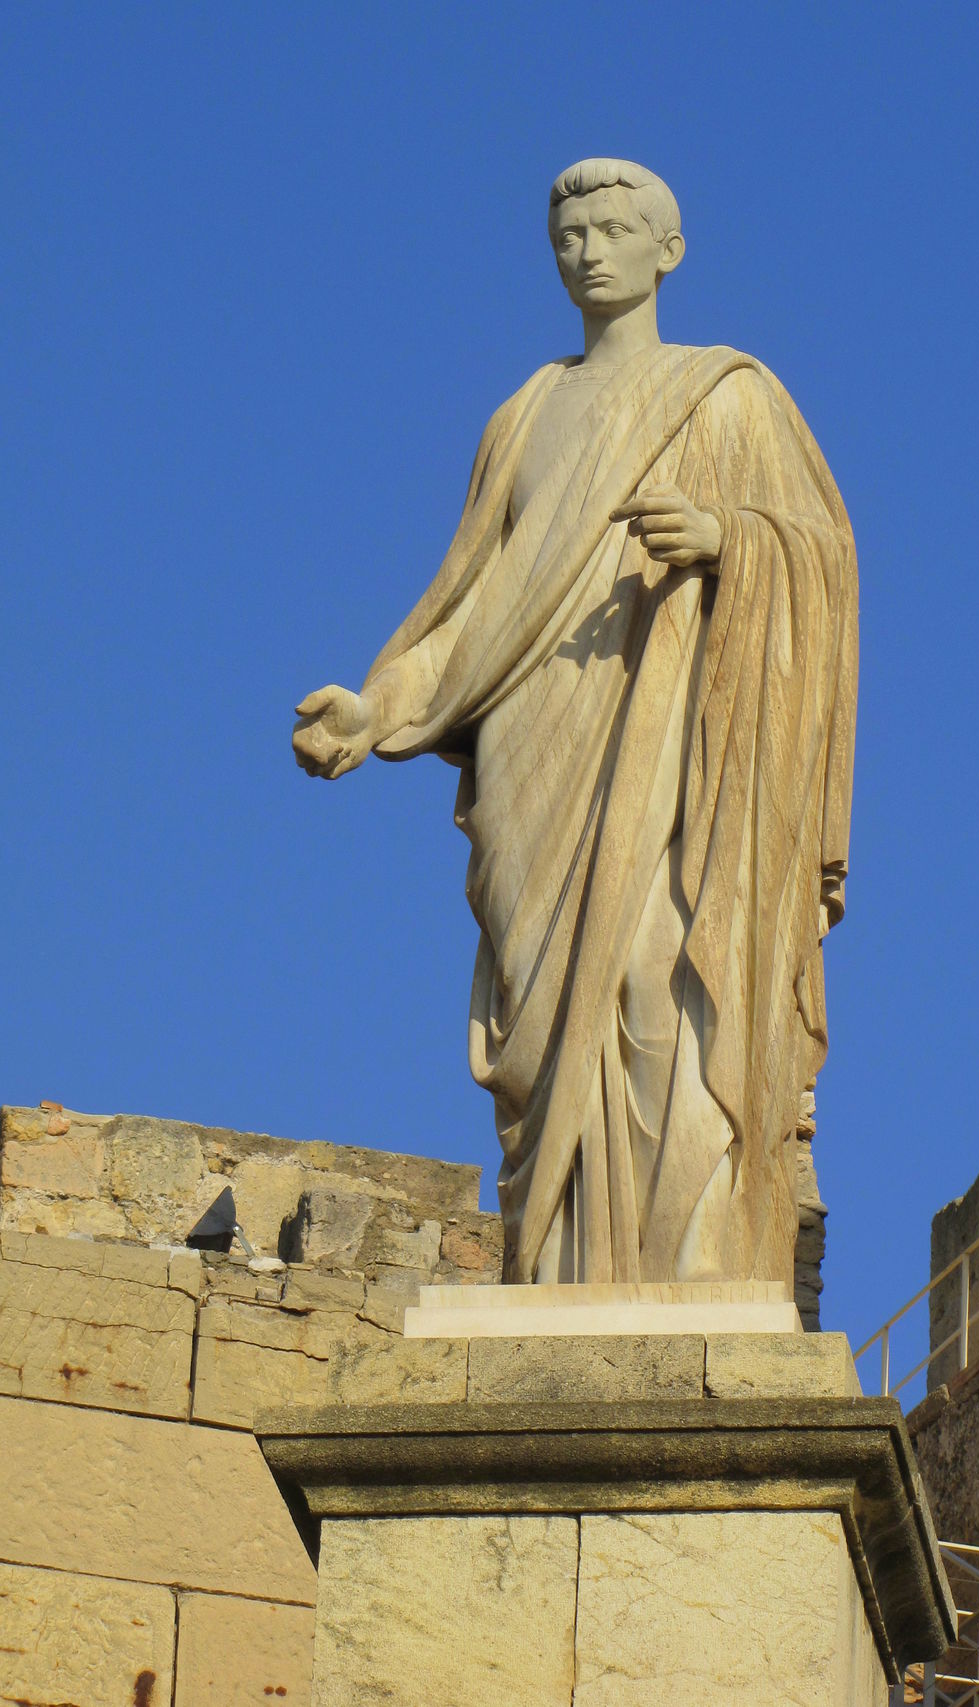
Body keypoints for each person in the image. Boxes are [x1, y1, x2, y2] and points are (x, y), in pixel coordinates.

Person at [293, 159, 857, 1287]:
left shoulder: (728, 395)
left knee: (660, 987)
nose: (589, 253)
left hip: (671, 743)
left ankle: (688, 1264)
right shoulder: (524, 415)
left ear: (668, 250)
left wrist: (728, 538)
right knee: (542, 1031)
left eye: (611, 231)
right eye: (569, 236)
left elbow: (825, 562)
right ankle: (554, 1271)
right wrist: (381, 702)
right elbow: (475, 602)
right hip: (532, 744)